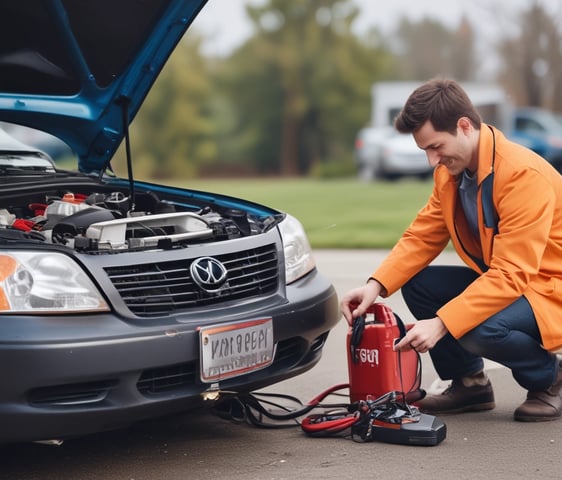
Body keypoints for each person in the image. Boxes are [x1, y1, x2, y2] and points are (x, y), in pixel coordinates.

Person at [340, 78, 562, 422]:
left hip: (549, 288)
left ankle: (551, 379)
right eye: (425, 150)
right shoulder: (452, 172)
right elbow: (423, 235)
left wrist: (442, 323)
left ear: (464, 126)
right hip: (514, 284)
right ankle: (470, 384)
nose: (432, 161)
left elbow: (513, 273)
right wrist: (375, 285)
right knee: (419, 283)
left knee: (474, 326)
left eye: (436, 146)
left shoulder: (521, 174)